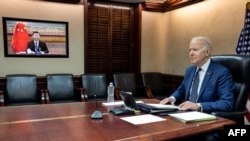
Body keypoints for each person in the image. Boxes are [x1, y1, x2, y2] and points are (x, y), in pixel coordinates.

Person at [160, 36, 234, 141]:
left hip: (206, 121)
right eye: (190, 50)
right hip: (185, 116)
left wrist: (198, 106)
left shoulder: (221, 73)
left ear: (207, 52)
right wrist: (172, 98)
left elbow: (227, 103)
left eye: (195, 50)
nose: (190, 53)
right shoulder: (190, 70)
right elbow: (181, 90)